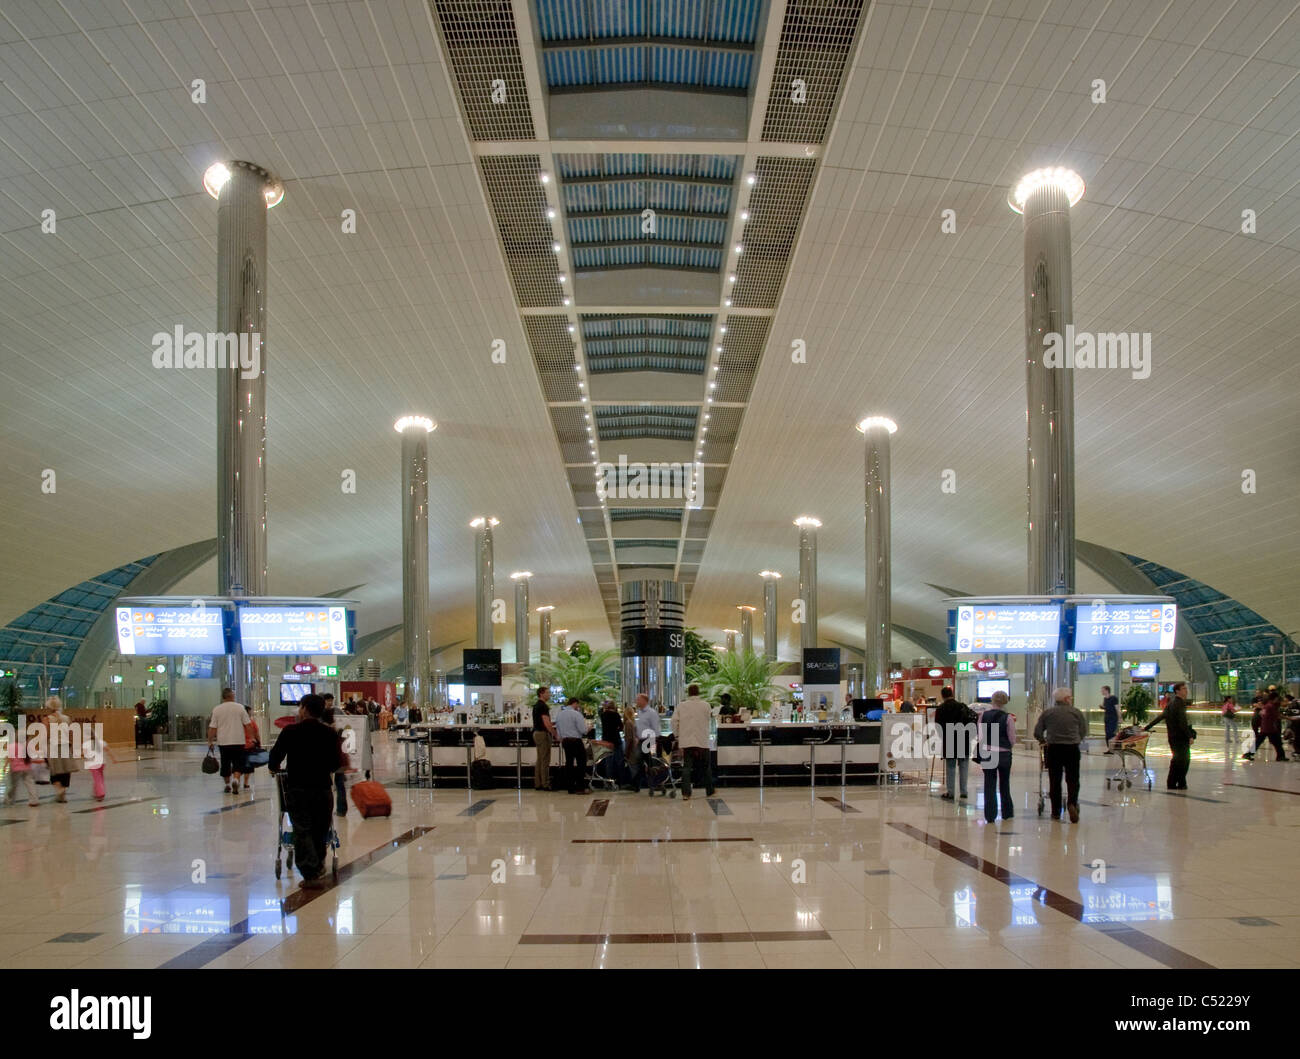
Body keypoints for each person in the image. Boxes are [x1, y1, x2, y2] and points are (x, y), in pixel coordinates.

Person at [268, 693, 342, 885]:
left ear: (305, 709)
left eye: (300, 707)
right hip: (322, 789)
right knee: (320, 828)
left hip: (297, 789)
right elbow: (335, 764)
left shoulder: (290, 731)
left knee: (302, 829)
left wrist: (274, 768)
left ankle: (309, 871)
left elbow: (275, 757)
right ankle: (317, 865)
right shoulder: (329, 733)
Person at [1033, 688, 1088, 822]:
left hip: (1054, 749)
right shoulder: (1076, 712)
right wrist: (1076, 739)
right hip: (1072, 749)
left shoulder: (1048, 713)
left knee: (1054, 780)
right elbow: (1083, 731)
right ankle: (1071, 804)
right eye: (1070, 697)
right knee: (1073, 779)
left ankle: (1055, 811)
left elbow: (1037, 732)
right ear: (1066, 699)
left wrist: (1043, 741)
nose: (1071, 699)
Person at [1143, 681, 1197, 788]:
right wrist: (1189, 736)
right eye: (1184, 689)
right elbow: (1182, 722)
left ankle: (1174, 782)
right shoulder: (1179, 703)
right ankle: (1179, 782)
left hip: (1172, 737)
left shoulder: (1171, 703)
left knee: (1177, 759)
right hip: (1180, 737)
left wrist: (1146, 727)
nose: (1186, 691)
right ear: (1177, 691)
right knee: (1184, 760)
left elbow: (1161, 717)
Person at [977, 691, 1016, 823]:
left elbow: (980, 735)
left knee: (989, 783)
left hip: (988, 752)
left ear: (992, 700)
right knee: (1005, 783)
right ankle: (1007, 812)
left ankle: (990, 815)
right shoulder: (1008, 717)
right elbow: (1012, 738)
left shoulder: (983, 715)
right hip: (1004, 753)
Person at [672, 684, 714, 800]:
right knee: (706, 767)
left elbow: (674, 721)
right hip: (702, 740)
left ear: (689, 693)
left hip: (687, 741)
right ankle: (710, 791)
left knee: (686, 767)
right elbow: (710, 719)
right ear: (698, 692)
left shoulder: (681, 706)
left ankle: (686, 793)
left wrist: (677, 736)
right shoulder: (706, 705)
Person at [934, 687, 975, 801]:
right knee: (964, 766)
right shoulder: (962, 706)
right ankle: (964, 791)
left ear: (942, 696)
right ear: (952, 694)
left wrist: (943, 737)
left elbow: (938, 726)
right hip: (963, 738)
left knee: (951, 766)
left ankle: (951, 792)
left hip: (949, 738)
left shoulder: (941, 708)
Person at [207, 688, 250, 794]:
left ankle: (227, 785)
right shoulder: (240, 708)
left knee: (225, 763)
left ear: (223, 697)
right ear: (232, 696)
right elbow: (247, 724)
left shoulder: (217, 709)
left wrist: (210, 741)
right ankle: (235, 780)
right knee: (238, 763)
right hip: (238, 741)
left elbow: (212, 728)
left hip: (223, 742)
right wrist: (252, 738)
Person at [555, 698, 591, 794]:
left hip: (565, 741)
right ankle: (580, 786)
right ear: (575, 703)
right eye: (578, 705)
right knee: (581, 762)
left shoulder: (560, 714)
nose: (578, 707)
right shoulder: (576, 714)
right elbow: (583, 730)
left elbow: (558, 729)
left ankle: (570, 787)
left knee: (569, 763)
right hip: (576, 741)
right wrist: (589, 729)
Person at [1243, 690, 1287, 761]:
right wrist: (1289, 718)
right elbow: (1277, 715)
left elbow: (1261, 713)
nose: (1278, 700)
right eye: (1277, 698)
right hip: (1269, 728)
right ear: (1275, 698)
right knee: (1277, 742)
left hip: (1266, 727)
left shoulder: (1267, 705)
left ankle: (1248, 754)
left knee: (1262, 742)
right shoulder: (1270, 706)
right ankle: (1280, 756)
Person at [598, 698, 628, 787]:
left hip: (606, 740)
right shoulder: (616, 715)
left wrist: (604, 704)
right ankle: (621, 781)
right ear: (614, 706)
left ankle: (609, 781)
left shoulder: (603, 715)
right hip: (616, 740)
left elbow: (600, 710)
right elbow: (621, 727)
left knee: (608, 761)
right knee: (619, 761)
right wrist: (616, 729)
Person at [531, 686, 557, 791]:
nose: (549, 694)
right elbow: (546, 723)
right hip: (542, 734)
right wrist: (555, 734)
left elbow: (542, 721)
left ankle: (538, 783)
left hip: (536, 733)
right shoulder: (543, 706)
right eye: (548, 692)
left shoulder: (536, 705)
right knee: (545, 760)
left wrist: (553, 723)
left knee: (540, 760)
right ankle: (545, 783)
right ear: (541, 693)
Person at [633, 694, 661, 789]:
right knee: (640, 761)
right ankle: (638, 784)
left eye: (638, 700)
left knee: (648, 762)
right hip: (641, 741)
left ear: (644, 701)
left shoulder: (651, 713)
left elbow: (656, 728)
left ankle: (653, 783)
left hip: (649, 740)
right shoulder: (639, 713)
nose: (636, 701)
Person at [240, 704, 262, 791]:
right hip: (250, 745)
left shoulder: (238, 723)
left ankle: (236, 779)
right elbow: (256, 734)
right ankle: (245, 783)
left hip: (239, 745)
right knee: (248, 765)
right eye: (250, 711)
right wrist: (259, 743)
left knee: (238, 764)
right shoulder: (251, 722)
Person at [1100, 685, 1120, 751]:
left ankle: (1113, 747)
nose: (1101, 692)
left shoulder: (1114, 698)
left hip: (1113, 718)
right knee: (1107, 734)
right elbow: (1106, 707)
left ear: (1107, 690)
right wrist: (1103, 707)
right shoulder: (1105, 699)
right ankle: (1110, 748)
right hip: (1107, 718)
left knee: (1111, 733)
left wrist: (1120, 717)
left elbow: (1117, 708)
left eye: (1102, 690)